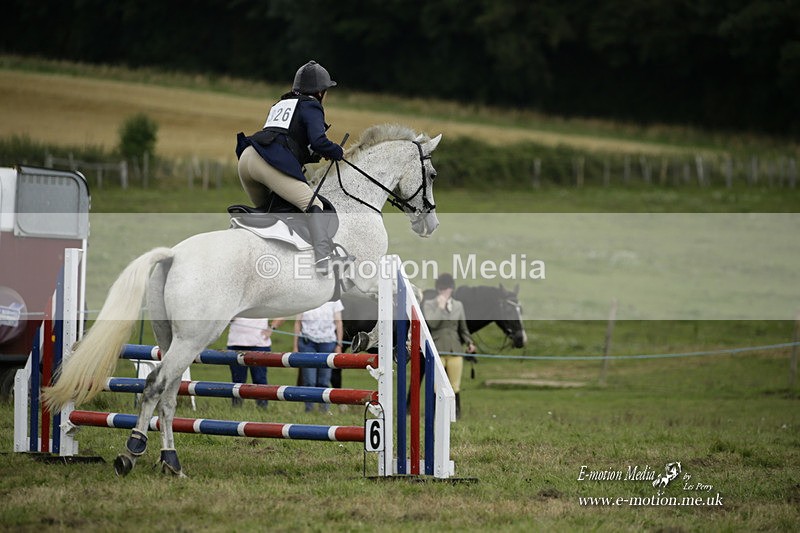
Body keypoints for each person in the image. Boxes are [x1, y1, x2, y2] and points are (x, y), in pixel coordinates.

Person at [235, 60, 346, 274]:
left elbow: (287, 140)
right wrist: (337, 152)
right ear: (321, 92)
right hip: (266, 163)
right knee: (313, 204)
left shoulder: (281, 104)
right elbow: (318, 141)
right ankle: (325, 259)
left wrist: (313, 154)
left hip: (247, 159)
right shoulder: (311, 104)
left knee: (273, 214)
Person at [422, 273, 476, 419]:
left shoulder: (458, 306)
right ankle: (434, 414)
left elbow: (463, 328)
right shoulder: (429, 304)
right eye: (441, 289)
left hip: (455, 349)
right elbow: (432, 323)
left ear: (451, 289)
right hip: (437, 350)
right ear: (438, 289)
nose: (444, 291)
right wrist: (440, 307)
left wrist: (470, 342)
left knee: (454, 385)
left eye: (447, 288)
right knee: (435, 386)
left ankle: (455, 414)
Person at [293, 300, 344, 413]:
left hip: (328, 342)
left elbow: (338, 322)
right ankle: (309, 409)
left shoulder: (334, 299)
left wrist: (339, 344)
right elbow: (298, 322)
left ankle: (324, 410)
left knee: (324, 380)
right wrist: (295, 346)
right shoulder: (305, 297)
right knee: (309, 380)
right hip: (307, 342)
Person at [226, 317, 284, 408]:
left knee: (259, 379)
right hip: (235, 342)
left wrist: (272, 327)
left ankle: (262, 408)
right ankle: (236, 408)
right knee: (237, 380)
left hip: (259, 344)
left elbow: (282, 312)